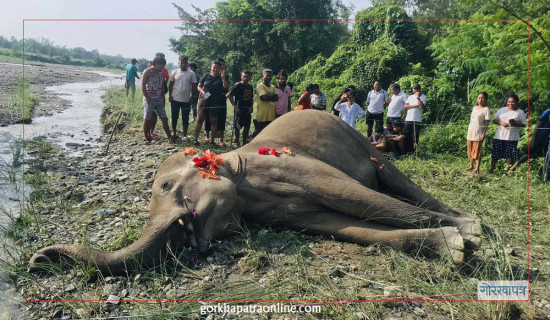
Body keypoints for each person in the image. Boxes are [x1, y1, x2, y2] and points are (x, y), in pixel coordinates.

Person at [193, 61, 229, 146]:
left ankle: (212, 141)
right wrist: (203, 92)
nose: (215, 69)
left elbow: (226, 88)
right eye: (214, 67)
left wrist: (223, 78)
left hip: (216, 99)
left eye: (217, 68)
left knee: (214, 120)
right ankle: (195, 139)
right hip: (205, 97)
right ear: (211, 67)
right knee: (200, 119)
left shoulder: (223, 77)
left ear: (220, 69)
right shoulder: (206, 76)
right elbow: (199, 86)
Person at [489, 94, 527, 173]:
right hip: (499, 136)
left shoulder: (520, 112)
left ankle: (506, 172)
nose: (510, 103)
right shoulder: (502, 110)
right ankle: (491, 170)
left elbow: (523, 125)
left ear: (516, 102)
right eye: (509, 102)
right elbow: (494, 120)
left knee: (509, 155)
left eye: (513, 102)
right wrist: (501, 122)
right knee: (495, 154)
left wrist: (515, 123)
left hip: (512, 137)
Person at [141, 56, 172, 143]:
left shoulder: (161, 73)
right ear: (156, 64)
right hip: (149, 99)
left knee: (164, 118)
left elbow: (162, 86)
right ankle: (146, 137)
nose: (163, 67)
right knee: (147, 118)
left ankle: (169, 137)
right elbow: (143, 85)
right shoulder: (147, 71)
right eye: (162, 65)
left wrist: (163, 96)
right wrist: (147, 97)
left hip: (159, 99)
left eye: (164, 66)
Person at [168, 56, 197, 141]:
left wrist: (192, 97)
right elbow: (171, 84)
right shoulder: (174, 72)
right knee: (174, 116)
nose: (184, 64)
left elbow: (194, 86)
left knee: (185, 117)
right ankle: (174, 132)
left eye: (185, 63)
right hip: (175, 99)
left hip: (186, 100)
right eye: (182, 62)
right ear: (179, 63)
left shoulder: (191, 73)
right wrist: (170, 95)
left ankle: (184, 134)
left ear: (187, 63)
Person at [204, 58, 230, 146]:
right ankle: (207, 136)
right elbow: (202, 87)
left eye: (222, 65)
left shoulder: (225, 76)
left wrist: (223, 79)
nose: (221, 66)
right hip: (210, 99)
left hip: (221, 100)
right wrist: (204, 95)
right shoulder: (208, 76)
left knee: (221, 118)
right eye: (220, 65)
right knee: (208, 117)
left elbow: (226, 89)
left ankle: (221, 140)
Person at [465, 92, 490, 175]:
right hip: (471, 131)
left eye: (482, 98)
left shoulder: (486, 109)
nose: (480, 100)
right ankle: (470, 166)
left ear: (485, 100)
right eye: (479, 98)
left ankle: (477, 168)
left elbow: (487, 123)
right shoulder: (474, 108)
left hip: (479, 132)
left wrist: (484, 133)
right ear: (477, 99)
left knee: (477, 150)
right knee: (470, 148)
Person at [228, 70, 254, 147]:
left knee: (247, 127)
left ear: (250, 77)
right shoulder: (238, 86)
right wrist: (235, 106)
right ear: (241, 77)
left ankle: (244, 141)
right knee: (237, 127)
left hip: (248, 109)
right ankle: (238, 142)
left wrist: (252, 107)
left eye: (247, 77)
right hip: (239, 109)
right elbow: (230, 96)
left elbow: (252, 98)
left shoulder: (250, 86)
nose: (245, 78)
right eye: (244, 77)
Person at [253, 69, 278, 136]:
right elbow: (263, 97)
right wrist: (272, 96)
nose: (269, 77)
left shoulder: (272, 87)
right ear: (262, 76)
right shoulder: (260, 86)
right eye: (267, 76)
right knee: (260, 134)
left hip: (271, 115)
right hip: (262, 115)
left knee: (269, 134)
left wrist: (269, 95)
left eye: (270, 76)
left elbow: (277, 98)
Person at [403, 84, 426, 152]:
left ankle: (414, 152)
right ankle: (407, 151)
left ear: (419, 89)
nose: (416, 90)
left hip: (417, 120)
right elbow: (405, 106)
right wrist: (415, 105)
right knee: (406, 135)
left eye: (417, 89)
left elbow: (420, 106)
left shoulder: (423, 97)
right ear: (413, 89)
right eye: (415, 88)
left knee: (415, 137)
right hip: (408, 119)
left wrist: (418, 97)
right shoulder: (410, 97)